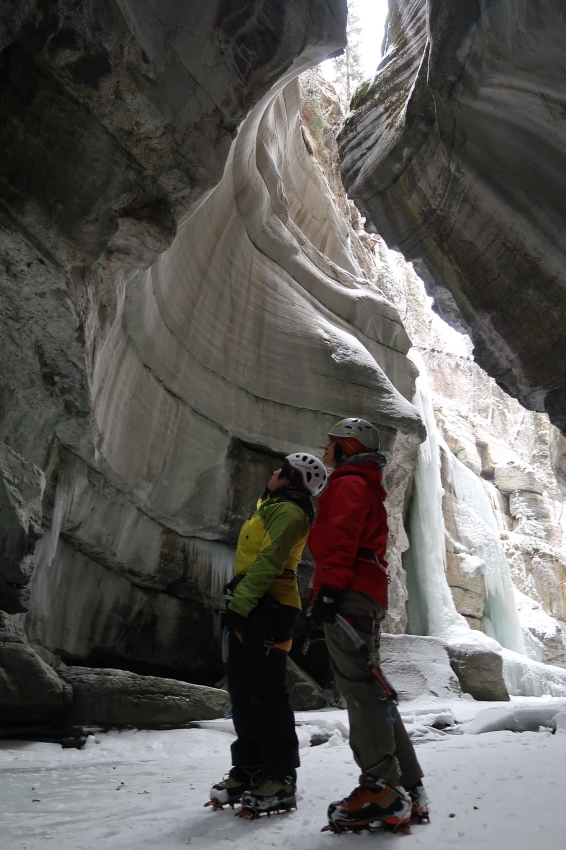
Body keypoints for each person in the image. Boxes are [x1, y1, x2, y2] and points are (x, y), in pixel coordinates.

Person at [308, 417, 429, 833]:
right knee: (375, 690)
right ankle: (409, 787)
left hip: (349, 591)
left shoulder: (347, 483)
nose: (326, 451)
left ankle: (381, 786)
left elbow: (340, 538)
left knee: (360, 688)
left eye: (331, 444)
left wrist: (327, 591)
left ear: (348, 448)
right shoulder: (364, 485)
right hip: (364, 590)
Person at [208, 451, 327, 817]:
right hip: (253, 602)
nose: (273, 473)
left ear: (292, 479)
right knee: (243, 692)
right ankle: (249, 768)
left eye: (281, 471)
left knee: (267, 694)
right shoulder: (271, 507)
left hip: (271, 607)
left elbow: (271, 560)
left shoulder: (290, 511)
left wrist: (241, 604)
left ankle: (279, 776)